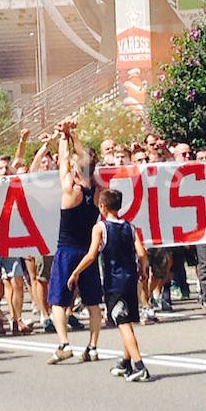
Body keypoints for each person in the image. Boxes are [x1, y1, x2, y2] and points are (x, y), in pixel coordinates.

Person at [68, 188, 151, 381]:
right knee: (127, 321)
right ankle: (125, 362)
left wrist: (76, 272)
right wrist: (143, 269)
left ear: (102, 207)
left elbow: (91, 255)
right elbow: (142, 253)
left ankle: (139, 365)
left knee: (122, 323)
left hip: (115, 283)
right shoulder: (130, 227)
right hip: (131, 280)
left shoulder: (101, 228)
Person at [46, 121, 104, 364]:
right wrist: (73, 135)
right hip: (87, 251)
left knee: (57, 301)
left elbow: (62, 161)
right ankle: (92, 346)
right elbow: (86, 161)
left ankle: (64, 343)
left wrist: (63, 137)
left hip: (67, 251)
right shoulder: (99, 190)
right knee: (92, 302)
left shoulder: (71, 189)